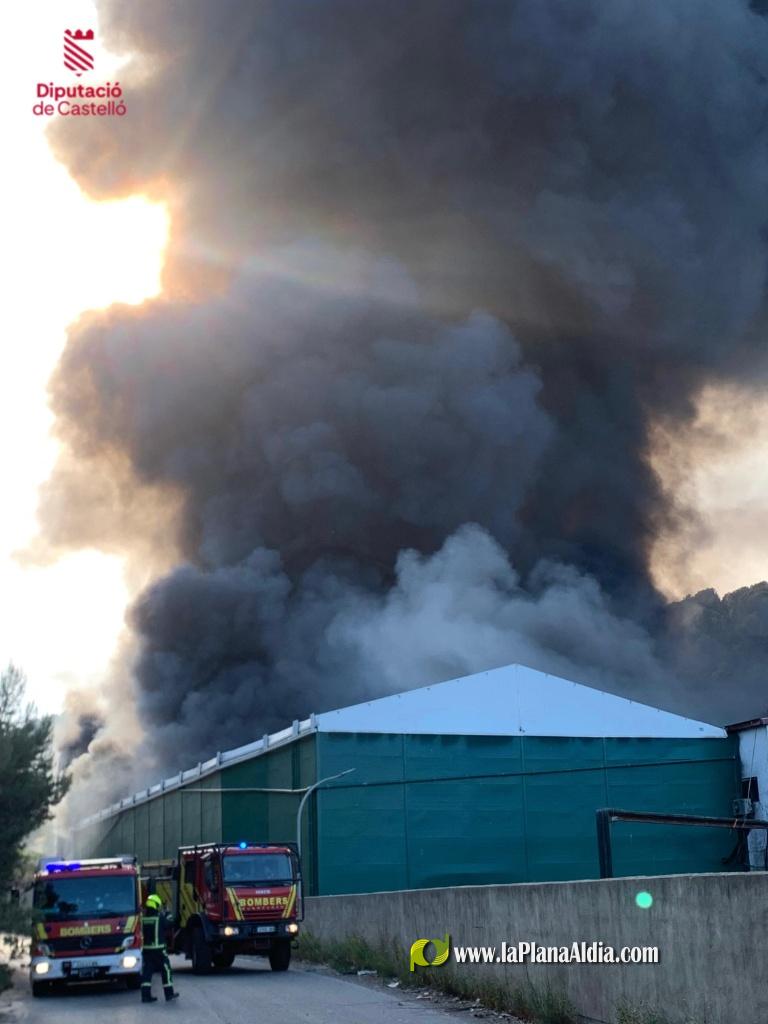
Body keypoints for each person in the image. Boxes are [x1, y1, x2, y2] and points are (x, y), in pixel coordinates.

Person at [140, 893, 179, 1004]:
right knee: (166, 970)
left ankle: (145, 996)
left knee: (147, 973)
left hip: (147, 951)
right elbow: (170, 923)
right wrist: (167, 913)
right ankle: (169, 994)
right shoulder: (159, 918)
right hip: (159, 951)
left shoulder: (143, 919)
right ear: (155, 905)